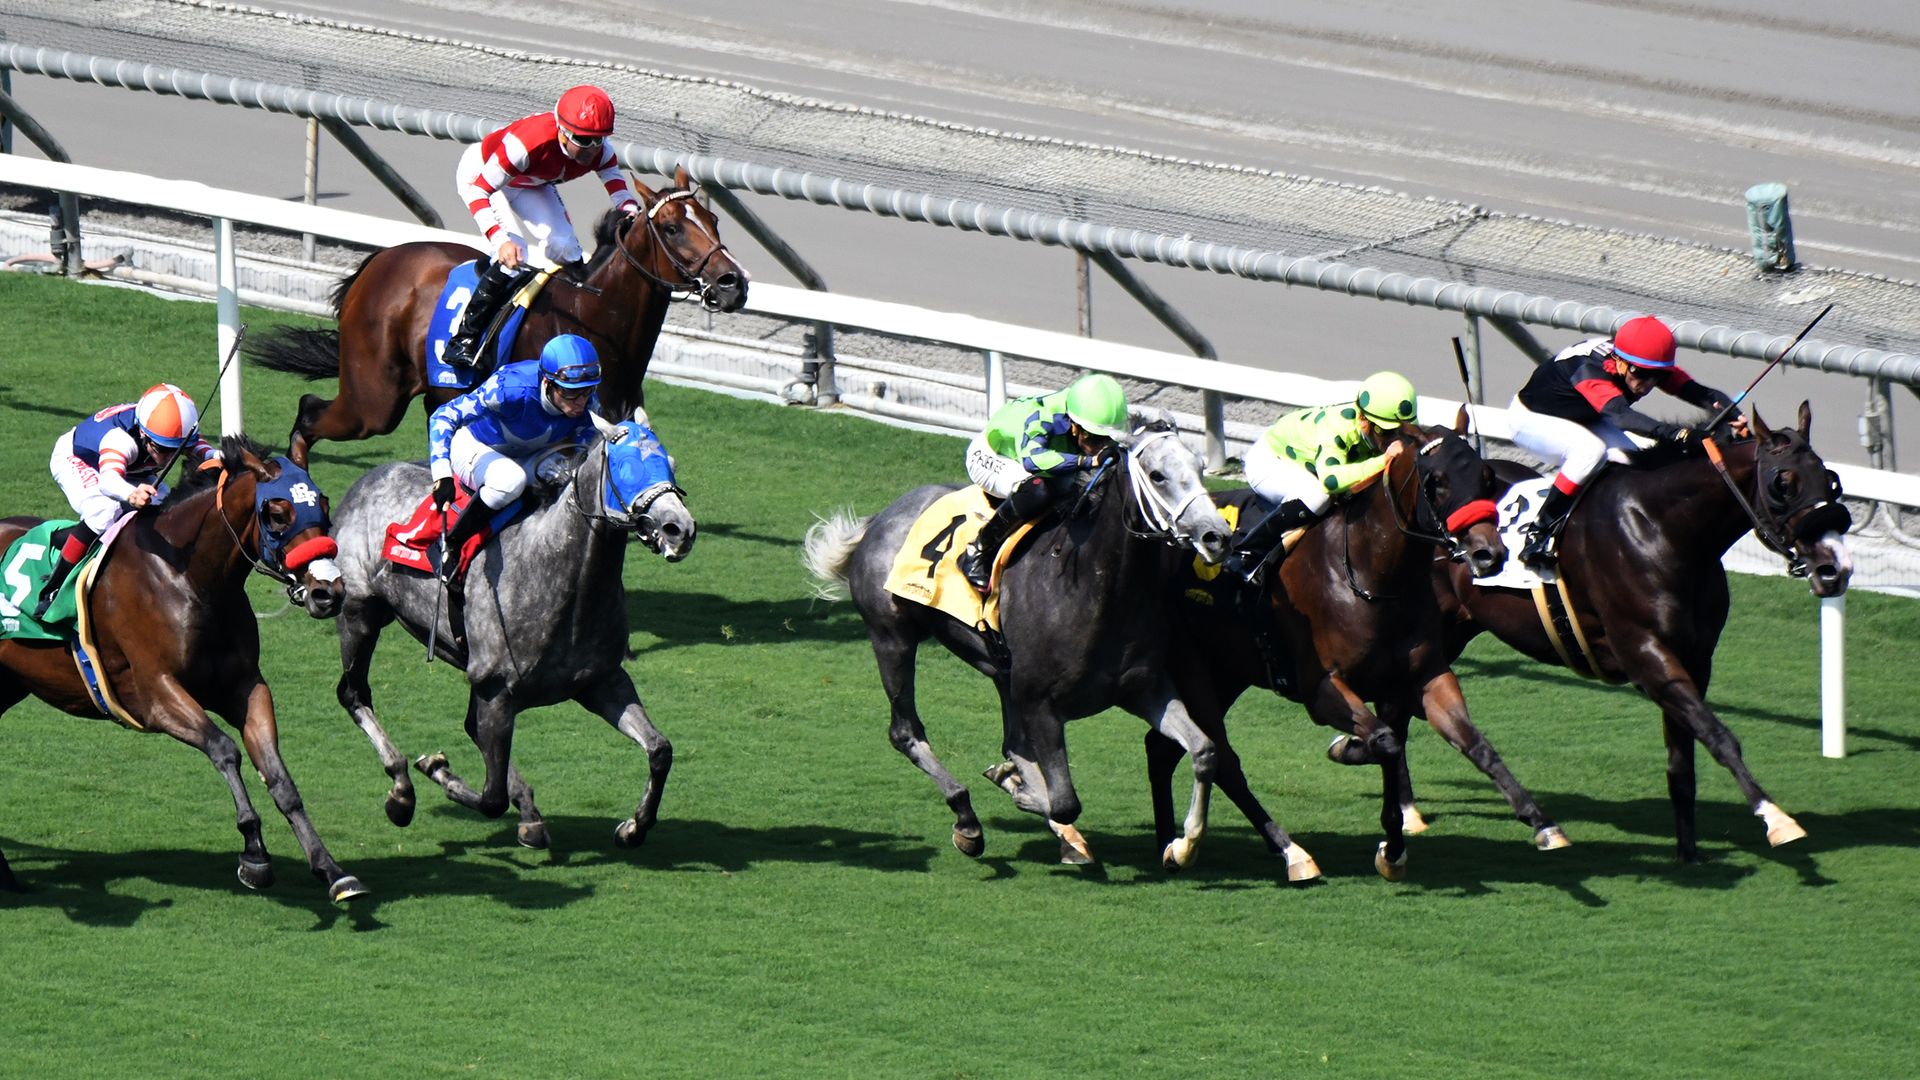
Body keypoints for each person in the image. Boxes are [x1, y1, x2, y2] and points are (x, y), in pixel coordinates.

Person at [1509, 315, 1746, 568]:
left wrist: (1732, 413)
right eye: (1641, 374)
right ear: (1619, 362)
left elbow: (1701, 393)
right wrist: (1678, 434)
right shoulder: (1589, 369)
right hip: (1532, 420)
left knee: (1635, 463)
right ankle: (1539, 533)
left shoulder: (1643, 362)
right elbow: (1622, 416)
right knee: (1589, 452)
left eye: (1657, 376)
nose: (1647, 384)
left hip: (1585, 417)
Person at [446, 85, 642, 369]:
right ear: (561, 131)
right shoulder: (526, 144)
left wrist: (632, 212)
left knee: (566, 248)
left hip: (528, 182)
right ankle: (464, 338)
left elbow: (618, 189)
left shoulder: (599, 151)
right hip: (483, 177)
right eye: (582, 140)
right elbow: (479, 191)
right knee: (515, 254)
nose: (591, 149)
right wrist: (500, 240)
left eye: (598, 140)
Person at [427, 334, 605, 587]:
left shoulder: (589, 405)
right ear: (547, 382)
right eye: (570, 393)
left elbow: (585, 446)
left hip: (526, 453)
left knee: (567, 474)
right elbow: (444, 416)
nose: (581, 402)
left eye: (588, 391)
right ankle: (449, 544)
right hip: (475, 446)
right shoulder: (508, 390)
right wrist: (442, 475)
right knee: (510, 480)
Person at [1221, 370, 1418, 585]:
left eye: (1401, 431)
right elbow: (1331, 481)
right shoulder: (1337, 429)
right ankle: (1247, 555)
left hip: (1312, 466)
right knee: (1319, 496)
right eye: (1386, 432)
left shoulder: (1372, 428)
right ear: (1363, 419)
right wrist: (1383, 460)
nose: (1395, 440)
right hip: (1271, 460)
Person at [40, 383, 217, 618]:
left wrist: (225, 460)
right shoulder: (120, 440)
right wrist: (131, 495)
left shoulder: (172, 433)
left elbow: (207, 452)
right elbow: (109, 481)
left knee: (172, 510)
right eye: (163, 449)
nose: (169, 457)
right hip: (81, 460)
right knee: (104, 511)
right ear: (144, 435)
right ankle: (53, 587)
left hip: (133, 469)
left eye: (177, 450)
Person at [955, 373, 1131, 595]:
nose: (1100, 446)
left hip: (1035, 455)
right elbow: (1032, 460)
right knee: (1039, 489)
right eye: (1093, 438)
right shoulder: (1045, 416)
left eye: (1106, 438)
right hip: (993, 455)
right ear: (1074, 425)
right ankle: (977, 550)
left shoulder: (1089, 414)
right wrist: (1087, 461)